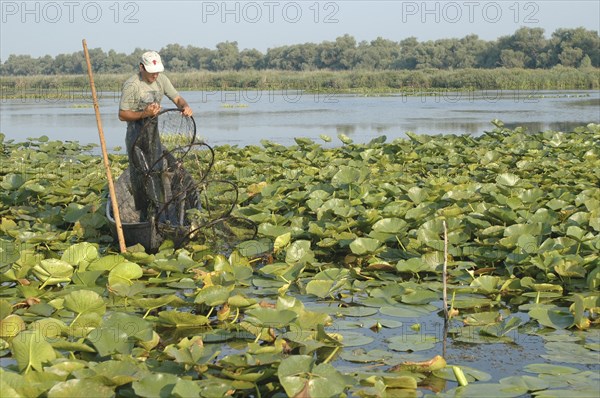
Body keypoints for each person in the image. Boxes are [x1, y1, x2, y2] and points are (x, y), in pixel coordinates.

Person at [118, 50, 193, 221]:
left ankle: (161, 214)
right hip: (136, 134)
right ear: (141, 67)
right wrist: (144, 113)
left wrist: (185, 107)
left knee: (157, 171)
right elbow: (122, 115)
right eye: (152, 72)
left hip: (153, 133)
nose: (155, 75)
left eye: (157, 71)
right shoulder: (132, 85)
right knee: (140, 175)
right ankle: (145, 215)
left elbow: (178, 98)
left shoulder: (162, 80)